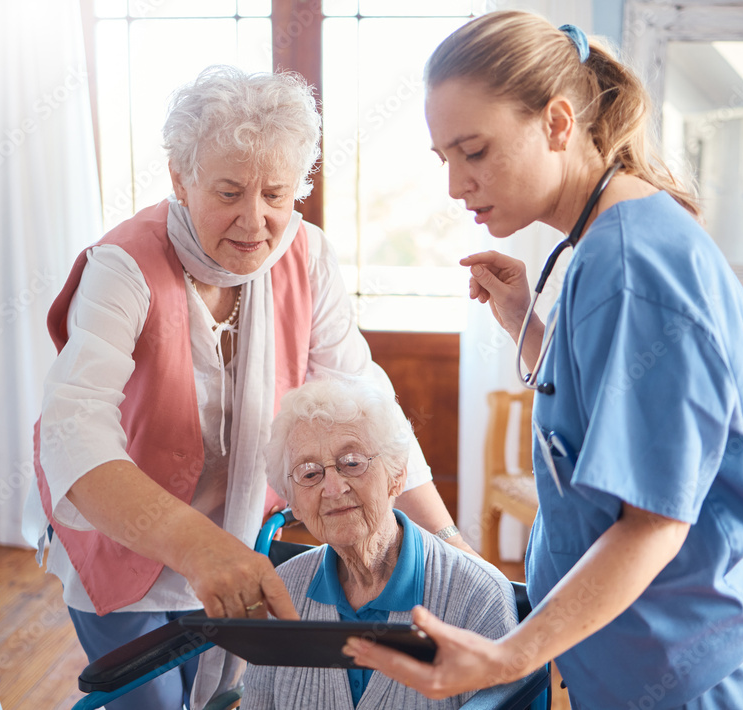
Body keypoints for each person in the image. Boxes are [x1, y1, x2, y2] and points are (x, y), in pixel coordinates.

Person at [344, 11, 743, 709]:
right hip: (636, 649)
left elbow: (656, 521)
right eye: (444, 159)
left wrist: (506, 658)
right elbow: (611, 409)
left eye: (475, 150)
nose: (456, 185)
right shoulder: (617, 239)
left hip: (675, 666)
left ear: (558, 123)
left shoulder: (629, 268)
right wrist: (528, 326)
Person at [28, 66, 468, 710]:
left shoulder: (308, 256)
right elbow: (72, 435)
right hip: (128, 540)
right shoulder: (122, 267)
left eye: (276, 195)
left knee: (221, 700)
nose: (255, 220)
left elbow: (367, 404)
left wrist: (453, 550)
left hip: (244, 543)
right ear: (181, 179)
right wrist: (200, 550)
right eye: (229, 191)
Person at [240, 378, 517, 709]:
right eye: (310, 473)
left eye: (353, 462)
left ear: (397, 474)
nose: (333, 488)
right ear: (294, 503)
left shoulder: (478, 595)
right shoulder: (280, 594)